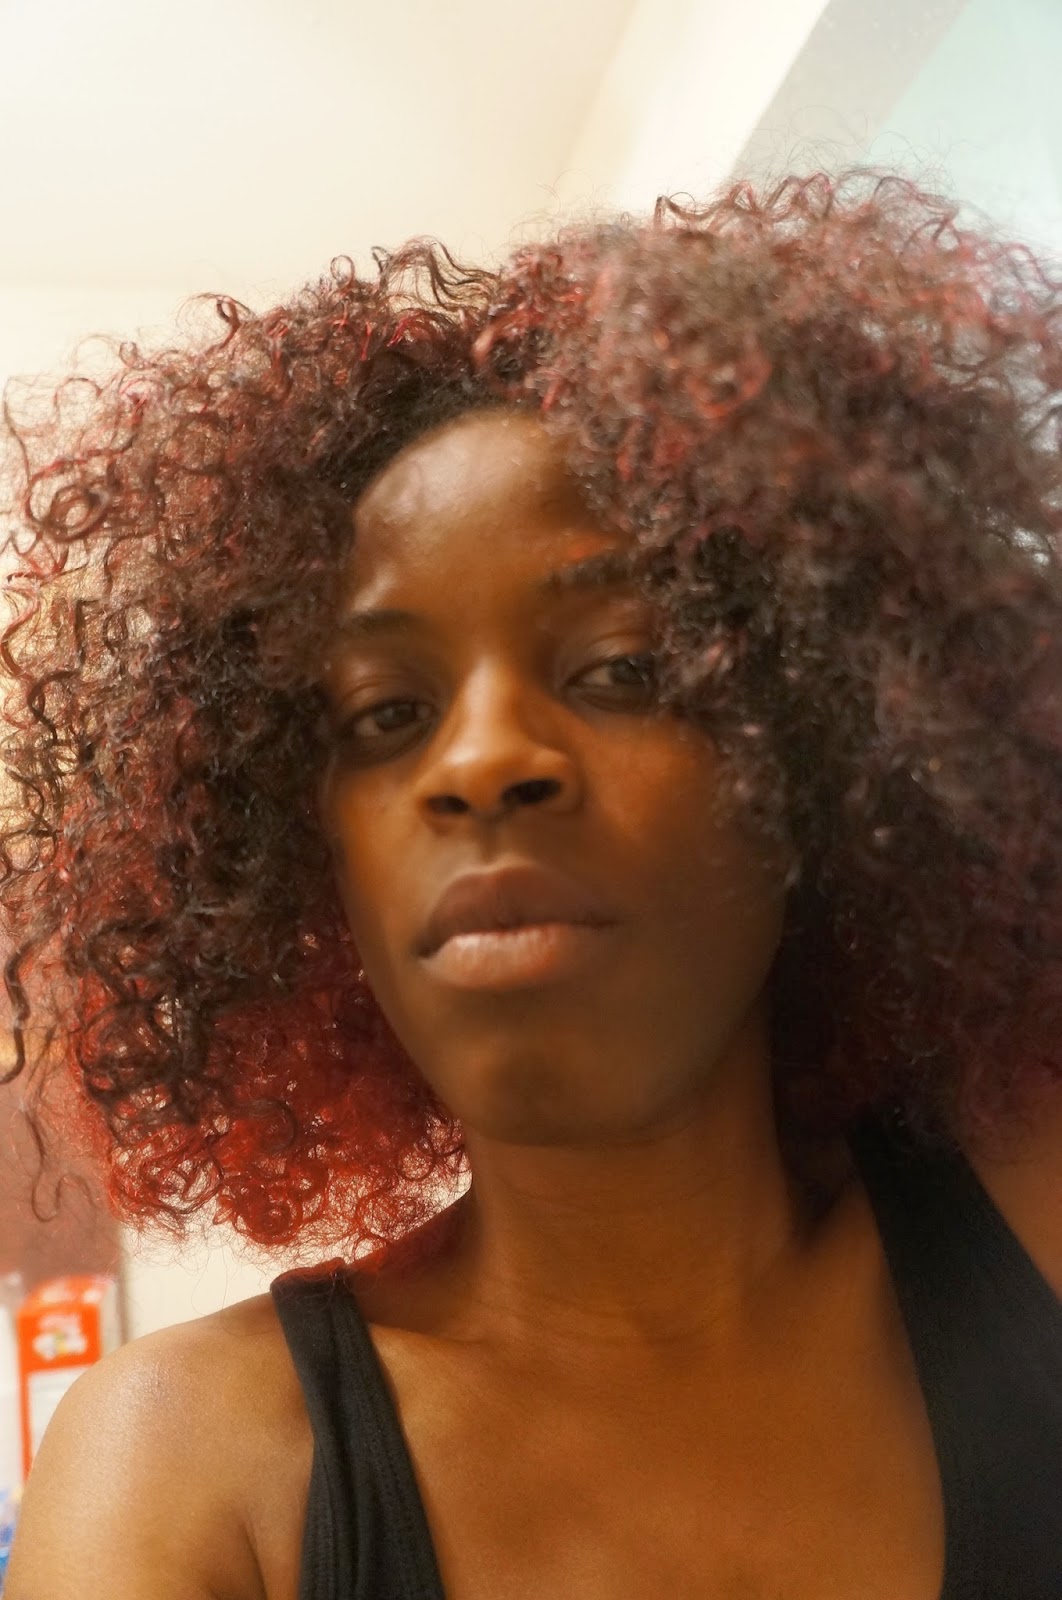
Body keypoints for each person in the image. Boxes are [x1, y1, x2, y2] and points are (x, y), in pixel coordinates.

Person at [1, 169, 1061, 1599]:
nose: (483, 760)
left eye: (623, 669)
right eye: (385, 713)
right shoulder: (193, 1472)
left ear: (822, 756)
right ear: (306, 862)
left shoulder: (1034, 1218)